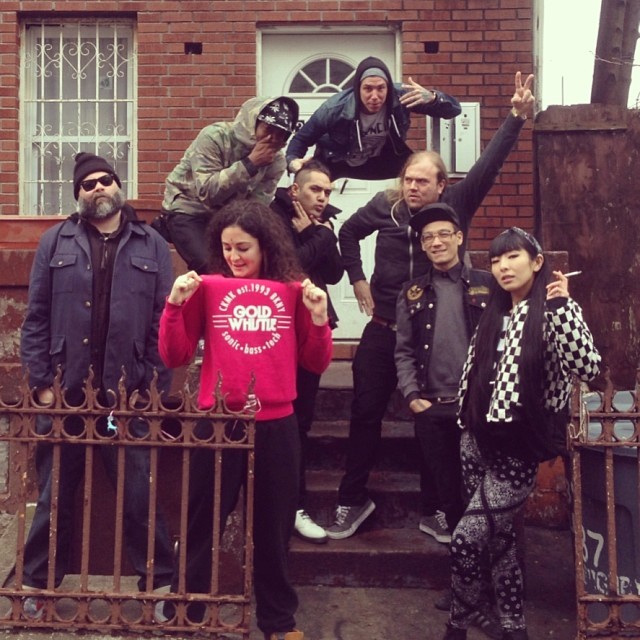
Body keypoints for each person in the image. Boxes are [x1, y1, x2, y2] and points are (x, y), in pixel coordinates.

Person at [325, 71, 535, 541]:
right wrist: (357, 278)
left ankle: (437, 508)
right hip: (384, 326)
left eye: (422, 181)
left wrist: (516, 118)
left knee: (434, 423)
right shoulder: (386, 206)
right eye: (408, 179)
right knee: (365, 412)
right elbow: (349, 232)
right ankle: (351, 500)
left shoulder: (457, 204)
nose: (413, 187)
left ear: (441, 186)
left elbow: (489, 166)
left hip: (434, 333)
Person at [158, 200, 333, 640]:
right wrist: (174, 306)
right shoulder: (208, 289)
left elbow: (315, 362)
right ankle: (187, 610)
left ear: (265, 247)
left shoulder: (292, 290)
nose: (234, 257)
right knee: (200, 522)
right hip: (217, 422)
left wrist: (318, 319)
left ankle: (278, 622)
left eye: (243, 248)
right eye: (227, 248)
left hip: (276, 424)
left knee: (273, 529)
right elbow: (174, 355)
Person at [20, 152, 175, 619]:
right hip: (65, 391)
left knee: (139, 495)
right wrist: (42, 385)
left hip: (127, 394)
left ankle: (160, 588)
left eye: (105, 179)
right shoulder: (55, 241)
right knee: (53, 496)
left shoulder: (152, 244)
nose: (98, 187)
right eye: (88, 184)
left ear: (118, 185)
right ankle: (37, 585)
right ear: (78, 194)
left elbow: (163, 323)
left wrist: (151, 387)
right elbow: (36, 317)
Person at [442, 226, 601, 640]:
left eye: (513, 256)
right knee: (501, 542)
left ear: (537, 262)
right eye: (496, 260)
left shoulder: (553, 312)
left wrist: (562, 307)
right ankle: (515, 627)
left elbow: (588, 367)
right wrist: (465, 421)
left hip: (517, 452)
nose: (503, 267)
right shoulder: (493, 314)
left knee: (465, 540)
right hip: (475, 441)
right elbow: (473, 374)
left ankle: (457, 624)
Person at [394, 202, 491, 542]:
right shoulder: (411, 292)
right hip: (431, 406)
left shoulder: (487, 284)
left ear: (459, 237)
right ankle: (462, 567)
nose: (436, 242)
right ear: (422, 245)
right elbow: (404, 350)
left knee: (480, 489)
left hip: (476, 405)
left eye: (443, 234)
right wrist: (412, 396)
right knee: (447, 493)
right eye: (428, 237)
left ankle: (482, 563)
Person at [270, 160, 343, 544]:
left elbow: (333, 273)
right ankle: (283, 508)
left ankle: (295, 507)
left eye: (328, 192)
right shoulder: (273, 217)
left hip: (311, 334)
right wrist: (322, 236)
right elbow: (291, 267)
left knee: (300, 424)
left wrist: (315, 234)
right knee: (284, 424)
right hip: (278, 334)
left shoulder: (317, 224)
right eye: (316, 190)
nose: (323, 198)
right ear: (294, 190)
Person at [160, 96, 299, 273]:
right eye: (268, 129)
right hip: (189, 209)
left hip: (228, 219)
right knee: (210, 267)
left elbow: (256, 206)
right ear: (253, 123)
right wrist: (250, 164)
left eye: (281, 134)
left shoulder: (276, 161)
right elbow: (207, 192)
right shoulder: (215, 137)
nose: (272, 138)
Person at [285, 56, 461, 181]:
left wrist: (434, 98)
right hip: (339, 161)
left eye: (381, 88)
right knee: (309, 186)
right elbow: (300, 140)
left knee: (424, 173)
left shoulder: (401, 97)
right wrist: (293, 162)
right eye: (368, 89)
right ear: (358, 89)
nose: (375, 96)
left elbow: (453, 110)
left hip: (380, 162)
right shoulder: (334, 108)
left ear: (388, 88)